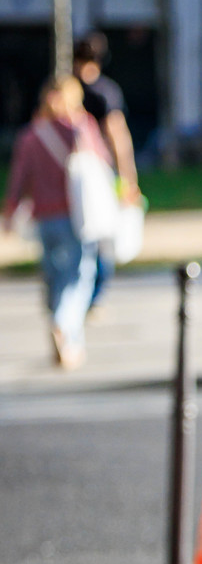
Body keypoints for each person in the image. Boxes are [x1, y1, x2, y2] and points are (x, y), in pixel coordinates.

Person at [2, 74, 118, 369]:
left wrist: (10, 211)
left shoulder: (31, 136)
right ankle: (63, 327)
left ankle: (67, 336)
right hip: (76, 217)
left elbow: (18, 179)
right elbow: (102, 164)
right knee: (78, 276)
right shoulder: (81, 128)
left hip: (44, 217)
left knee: (55, 276)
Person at [72, 32, 142, 316]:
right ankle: (95, 295)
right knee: (103, 236)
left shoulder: (65, 89)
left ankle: (79, 293)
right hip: (101, 173)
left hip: (71, 174)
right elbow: (118, 137)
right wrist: (128, 177)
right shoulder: (106, 91)